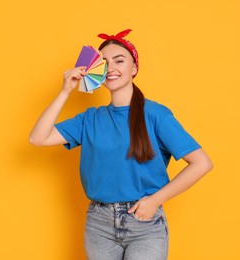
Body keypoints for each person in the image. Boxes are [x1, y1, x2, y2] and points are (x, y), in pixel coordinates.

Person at [29, 29, 213, 260]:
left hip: (144, 223)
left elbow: (202, 163)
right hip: (99, 224)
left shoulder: (156, 114)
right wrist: (65, 91)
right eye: (104, 63)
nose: (111, 68)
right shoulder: (90, 118)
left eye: (119, 60)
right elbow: (38, 138)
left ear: (134, 68)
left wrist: (156, 200)